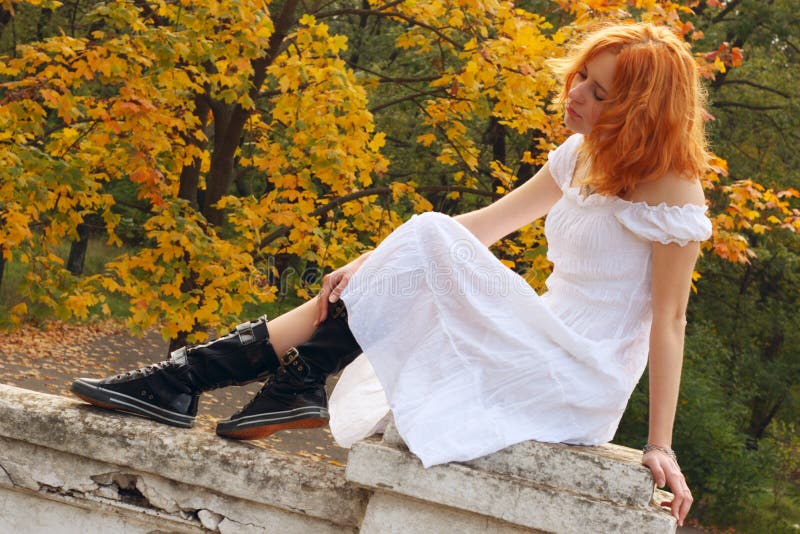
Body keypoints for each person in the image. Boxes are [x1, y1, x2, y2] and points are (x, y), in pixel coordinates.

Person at [71, 22, 710, 526]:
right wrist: (375, 261)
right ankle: (194, 377)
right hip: (535, 338)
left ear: (641, 110)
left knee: (426, 233)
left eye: (600, 93)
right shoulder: (580, 156)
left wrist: (660, 445)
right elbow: (483, 226)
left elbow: (671, 320)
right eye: (580, 78)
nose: (576, 94)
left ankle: (211, 380)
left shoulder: (673, 190)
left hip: (579, 373)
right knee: (417, 240)